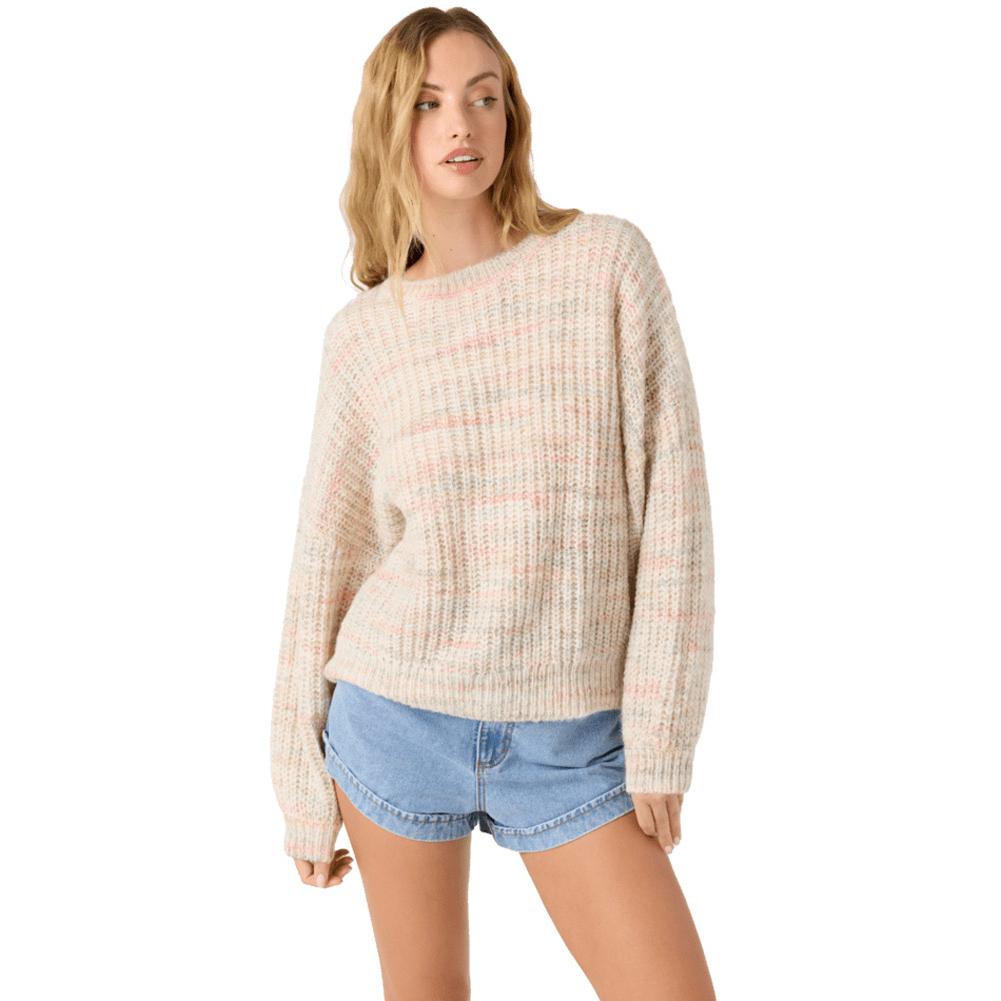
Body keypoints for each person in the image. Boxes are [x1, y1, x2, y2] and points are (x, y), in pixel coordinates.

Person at [270, 8, 717, 1000]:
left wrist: (661, 729)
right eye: (428, 103)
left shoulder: (603, 264)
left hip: (572, 738)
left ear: (511, 114)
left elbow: (674, 509)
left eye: (484, 96)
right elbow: (326, 560)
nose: (460, 123)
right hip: (396, 720)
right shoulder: (364, 337)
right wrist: (300, 781)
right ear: (390, 125)